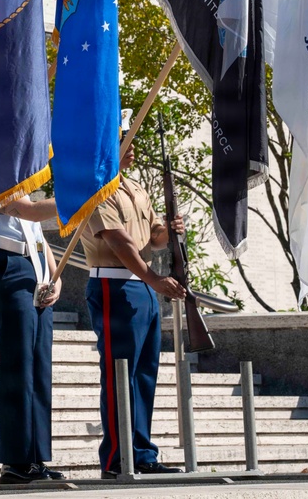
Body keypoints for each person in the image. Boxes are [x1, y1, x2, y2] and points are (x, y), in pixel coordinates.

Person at [80, 110, 186, 479]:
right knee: (118, 373)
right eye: (126, 138)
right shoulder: (96, 185)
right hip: (113, 282)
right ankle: (115, 458)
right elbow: (118, 241)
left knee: (144, 373)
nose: (133, 148)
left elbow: (152, 239)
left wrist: (170, 232)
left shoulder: (135, 187)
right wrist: (154, 278)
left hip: (140, 286)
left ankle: (142, 453)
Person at [0, 197, 66, 485]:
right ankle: (15, 460)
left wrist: (56, 276)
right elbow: (30, 211)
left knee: (38, 368)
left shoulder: (23, 171)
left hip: (35, 267)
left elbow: (36, 232)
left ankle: (35, 457)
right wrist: (80, 193)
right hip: (5, 262)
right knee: (18, 364)